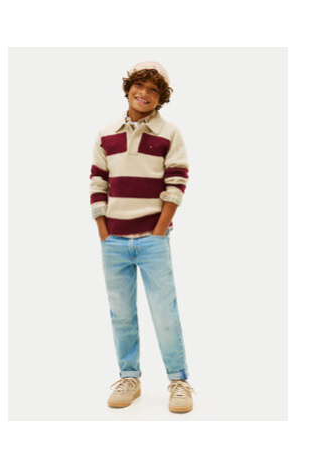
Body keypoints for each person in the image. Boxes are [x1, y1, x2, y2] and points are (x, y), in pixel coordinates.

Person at [89, 61, 196, 413]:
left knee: (165, 312)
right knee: (121, 313)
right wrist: (103, 228)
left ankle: (178, 381)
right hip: (113, 241)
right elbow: (98, 181)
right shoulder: (106, 134)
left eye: (153, 90)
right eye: (139, 86)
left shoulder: (169, 133)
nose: (144, 93)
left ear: (161, 98)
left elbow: (176, 181)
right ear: (128, 89)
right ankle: (129, 377)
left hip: (153, 240)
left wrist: (160, 228)